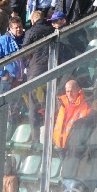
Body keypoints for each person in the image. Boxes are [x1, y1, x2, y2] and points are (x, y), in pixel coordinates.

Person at [23, 10, 55, 141]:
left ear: (33, 20)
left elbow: (24, 50)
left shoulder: (31, 31)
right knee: (50, 105)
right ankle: (50, 136)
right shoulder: (52, 29)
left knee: (33, 107)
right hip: (51, 69)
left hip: (35, 72)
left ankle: (36, 138)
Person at [53, 79, 91, 150]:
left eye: (72, 91)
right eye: (67, 91)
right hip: (60, 143)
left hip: (74, 146)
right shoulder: (63, 104)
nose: (69, 94)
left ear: (78, 90)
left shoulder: (85, 106)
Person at [0, 16, 22, 94]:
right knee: (5, 105)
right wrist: (3, 74)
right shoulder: (3, 40)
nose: (19, 29)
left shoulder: (25, 37)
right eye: (16, 27)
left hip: (22, 77)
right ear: (10, 28)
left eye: (20, 27)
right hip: (8, 79)